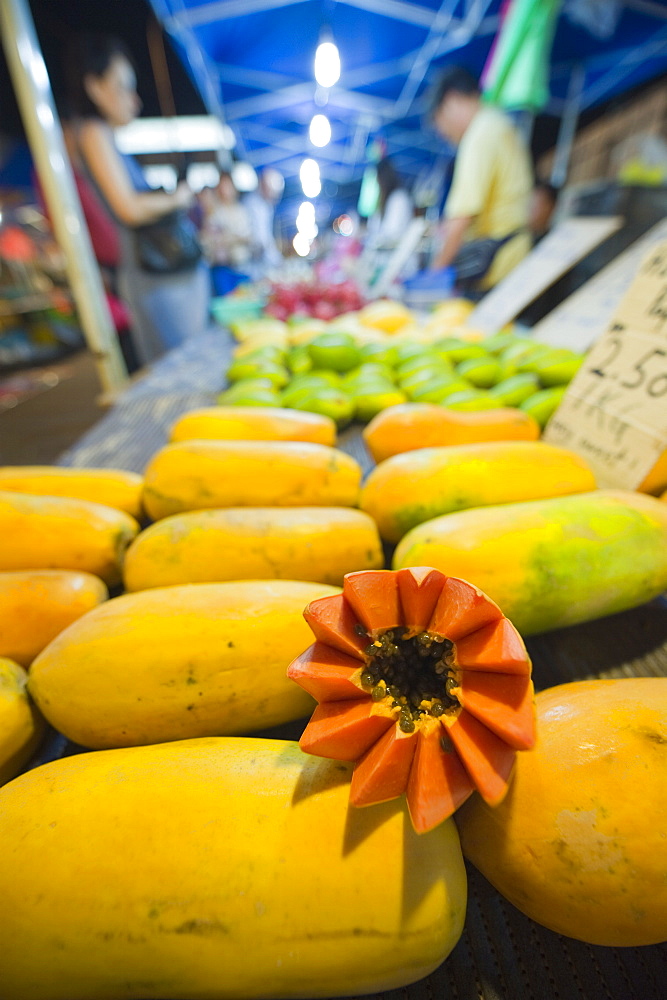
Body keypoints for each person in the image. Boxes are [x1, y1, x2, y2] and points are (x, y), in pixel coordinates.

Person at [64, 33, 210, 367]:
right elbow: (129, 208)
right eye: (123, 86)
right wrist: (178, 199)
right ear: (96, 88)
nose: (134, 99)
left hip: (155, 275)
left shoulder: (104, 137)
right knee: (178, 369)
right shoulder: (93, 132)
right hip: (150, 276)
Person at [429, 66, 533, 290]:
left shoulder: (480, 133)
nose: (445, 135)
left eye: (441, 124)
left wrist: (434, 273)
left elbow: (462, 216)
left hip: (496, 268)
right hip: (512, 261)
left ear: (451, 101)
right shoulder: (497, 123)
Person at [200, 171, 252, 295]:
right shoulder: (214, 213)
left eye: (228, 186)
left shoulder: (242, 211)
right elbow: (210, 240)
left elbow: (249, 237)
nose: (225, 190)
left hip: (242, 266)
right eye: (222, 186)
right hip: (222, 269)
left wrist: (229, 238)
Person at [243, 167, 285, 279]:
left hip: (263, 261)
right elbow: (261, 238)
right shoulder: (252, 204)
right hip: (252, 262)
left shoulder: (266, 206)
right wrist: (276, 260)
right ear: (263, 185)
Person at [365, 157, 414, 250]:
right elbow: (374, 228)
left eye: (378, 179)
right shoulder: (383, 201)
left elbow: (393, 233)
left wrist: (376, 239)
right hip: (384, 254)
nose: (377, 183)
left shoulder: (399, 198)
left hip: (396, 254)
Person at [529, 179, 559, 244]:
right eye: (532, 204)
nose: (531, 211)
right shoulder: (520, 235)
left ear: (551, 207)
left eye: (537, 206)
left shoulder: (553, 241)